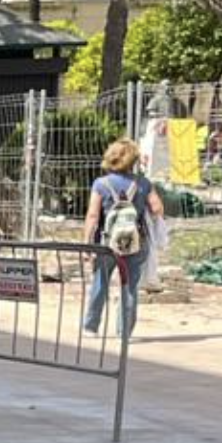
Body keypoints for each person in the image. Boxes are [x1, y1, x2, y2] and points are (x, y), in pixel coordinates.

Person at [83, 138, 163, 338]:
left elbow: (92, 216)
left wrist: (86, 243)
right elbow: (157, 208)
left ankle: (91, 327)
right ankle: (124, 331)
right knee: (129, 286)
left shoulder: (101, 184)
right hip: (136, 241)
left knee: (100, 282)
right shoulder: (143, 183)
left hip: (107, 242)